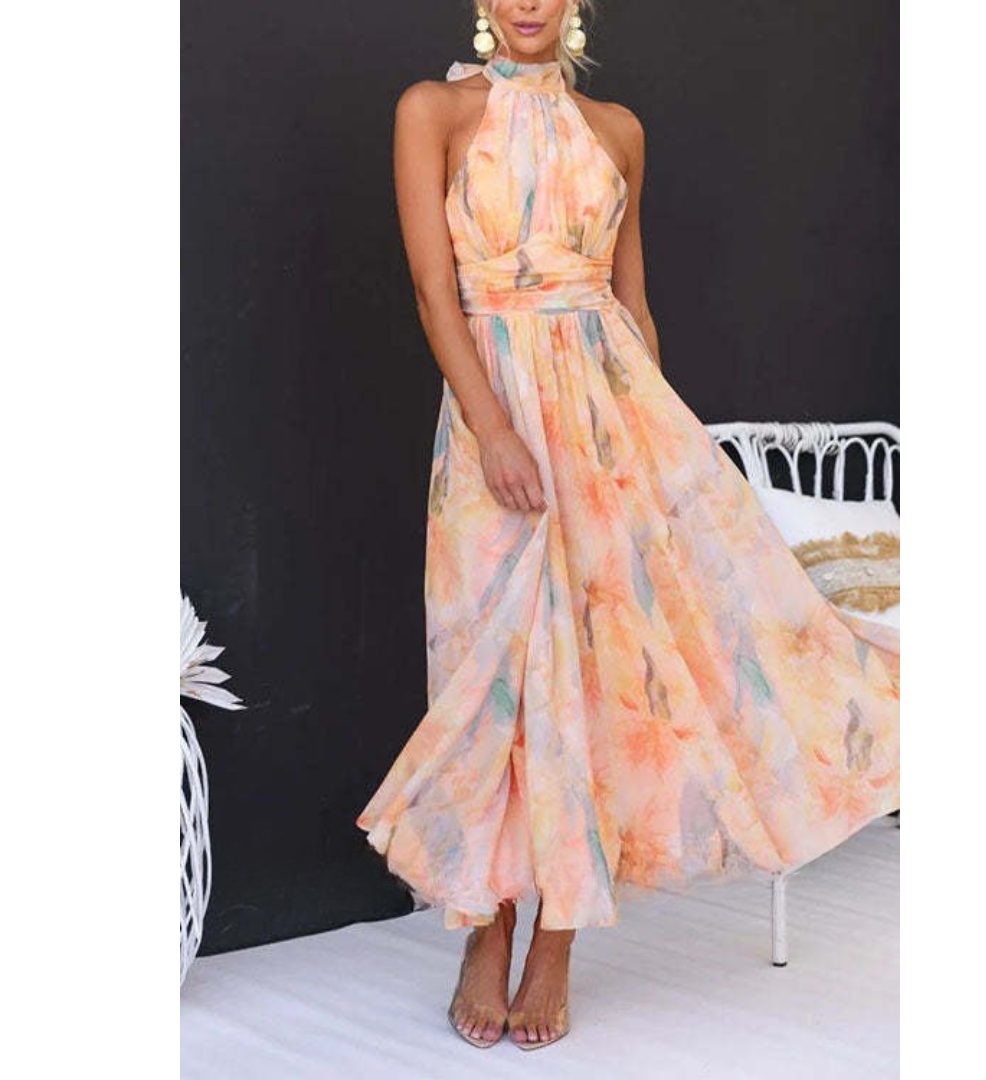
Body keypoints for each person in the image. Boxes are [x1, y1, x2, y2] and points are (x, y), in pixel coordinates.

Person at [355, 0, 900, 1052]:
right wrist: (493, 428)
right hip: (495, 412)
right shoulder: (433, 112)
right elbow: (432, 291)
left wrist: (663, 459)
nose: (527, 2)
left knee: (605, 669)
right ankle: (487, 924)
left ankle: (558, 934)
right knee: (489, 670)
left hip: (612, 423)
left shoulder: (619, 132)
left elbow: (631, 306)